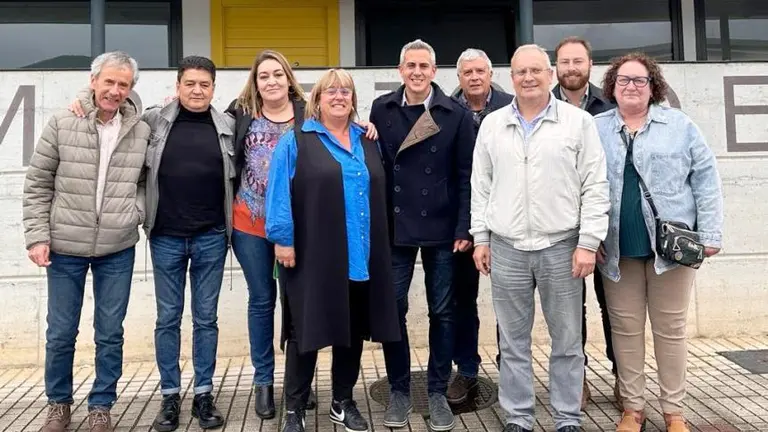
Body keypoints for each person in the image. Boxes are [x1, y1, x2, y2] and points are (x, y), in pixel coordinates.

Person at [224, 49, 378, 419]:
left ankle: (325, 394)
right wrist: (284, 237)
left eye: (278, 73)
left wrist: (364, 126)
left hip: (327, 238)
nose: (272, 81)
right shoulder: (242, 115)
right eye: (264, 75)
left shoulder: (329, 125)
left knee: (322, 317)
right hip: (265, 228)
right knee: (272, 307)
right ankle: (272, 388)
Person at [470, 44, 609, 432]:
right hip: (507, 248)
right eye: (520, 72)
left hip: (562, 246)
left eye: (536, 70)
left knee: (567, 341)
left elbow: (595, 186)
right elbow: (480, 187)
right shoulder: (493, 124)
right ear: (510, 78)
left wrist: (589, 242)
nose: (528, 78)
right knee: (512, 342)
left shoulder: (577, 123)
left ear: (550, 74)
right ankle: (518, 417)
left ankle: (567, 418)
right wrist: (480, 237)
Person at [593, 52, 723, 432]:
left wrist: (710, 234)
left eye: (639, 80)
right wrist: (587, 238)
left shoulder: (679, 126)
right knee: (625, 330)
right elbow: (578, 186)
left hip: (672, 249)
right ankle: (633, 408)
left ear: (654, 87)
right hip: (617, 249)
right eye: (623, 80)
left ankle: (674, 411)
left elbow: (706, 180)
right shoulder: (595, 128)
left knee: (670, 331)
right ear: (612, 87)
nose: (631, 87)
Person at [265, 68, 400, 432]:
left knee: (351, 329)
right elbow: (278, 193)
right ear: (318, 99)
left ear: (353, 100)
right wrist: (283, 238)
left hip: (361, 253)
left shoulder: (367, 139)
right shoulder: (296, 140)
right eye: (331, 92)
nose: (339, 97)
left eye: (346, 91)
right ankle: (294, 409)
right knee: (304, 330)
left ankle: (342, 400)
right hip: (312, 254)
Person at [23, 51, 150, 432]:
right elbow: (38, 183)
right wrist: (37, 237)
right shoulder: (64, 121)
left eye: (123, 84)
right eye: (108, 81)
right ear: (93, 81)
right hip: (64, 245)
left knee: (110, 332)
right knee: (61, 332)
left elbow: (145, 181)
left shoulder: (141, 128)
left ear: (130, 90)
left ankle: (101, 406)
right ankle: (58, 404)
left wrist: (135, 212)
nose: (114, 90)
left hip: (118, 246)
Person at [370, 39, 475, 431]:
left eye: (424, 66)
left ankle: (435, 390)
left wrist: (464, 226)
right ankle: (399, 389)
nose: (416, 72)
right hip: (396, 227)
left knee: (443, 311)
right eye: (410, 65)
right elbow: (376, 165)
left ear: (434, 71)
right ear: (401, 70)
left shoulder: (455, 113)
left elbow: (466, 176)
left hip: (444, 227)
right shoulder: (382, 109)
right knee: (394, 308)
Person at [551, 36, 618, 409]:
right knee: (571, 311)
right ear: (555, 68)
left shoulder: (609, 106)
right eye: (564, 62)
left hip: (605, 226)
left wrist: (599, 230)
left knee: (613, 307)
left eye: (578, 61)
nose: (571, 68)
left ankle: (622, 375)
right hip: (561, 228)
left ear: (590, 65)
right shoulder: (543, 107)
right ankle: (577, 382)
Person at [447, 47, 513, 404]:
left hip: (506, 220)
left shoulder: (511, 105)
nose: (474, 77)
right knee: (462, 300)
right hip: (460, 223)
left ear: (490, 74)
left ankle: (512, 368)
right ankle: (467, 370)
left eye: (480, 71)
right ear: (459, 78)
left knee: (509, 301)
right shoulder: (444, 109)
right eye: (467, 72)